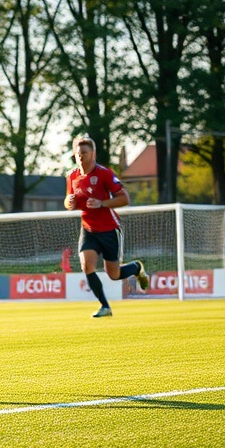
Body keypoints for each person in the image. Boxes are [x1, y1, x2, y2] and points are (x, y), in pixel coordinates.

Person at [64, 134, 149, 317]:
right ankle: (105, 306)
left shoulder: (104, 174)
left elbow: (125, 198)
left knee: (114, 274)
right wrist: (68, 202)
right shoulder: (71, 176)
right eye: (78, 153)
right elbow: (68, 200)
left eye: (84, 153)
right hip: (88, 229)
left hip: (109, 229)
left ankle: (136, 268)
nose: (81, 157)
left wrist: (102, 203)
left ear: (93, 154)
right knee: (86, 266)